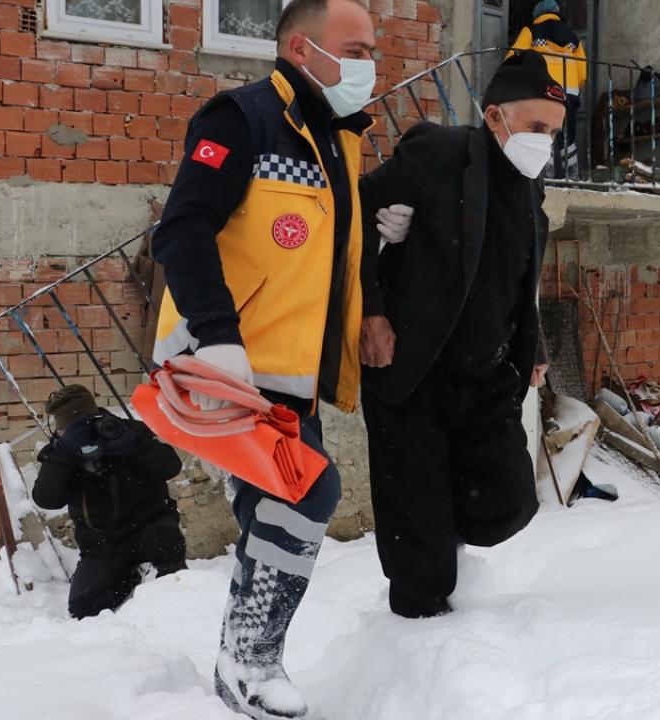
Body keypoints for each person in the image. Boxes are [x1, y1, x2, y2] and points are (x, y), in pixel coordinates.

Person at [150, 0, 407, 716]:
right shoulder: (244, 119)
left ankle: (246, 661)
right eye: (354, 49)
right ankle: (249, 663)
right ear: (302, 48)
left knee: (287, 502)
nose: (369, 65)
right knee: (308, 492)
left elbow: (336, 256)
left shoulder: (338, 141)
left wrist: (373, 307)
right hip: (223, 362)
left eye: (371, 51)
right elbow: (181, 232)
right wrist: (218, 336)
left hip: (286, 375)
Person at [356, 51, 564, 620]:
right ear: (495, 116)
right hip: (413, 369)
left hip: (487, 374)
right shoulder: (439, 151)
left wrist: (535, 347)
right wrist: (371, 309)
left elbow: (516, 276)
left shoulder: (530, 185)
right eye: (536, 127)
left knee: (510, 502)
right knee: (418, 543)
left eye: (553, 132)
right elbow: (352, 212)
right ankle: (421, 637)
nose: (544, 142)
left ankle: (442, 532)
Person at [32, 385, 186, 619]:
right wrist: (63, 454)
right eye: (67, 429)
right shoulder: (61, 451)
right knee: (83, 607)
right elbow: (47, 500)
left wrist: (133, 445)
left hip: (150, 525)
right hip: (102, 544)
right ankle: (128, 578)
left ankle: (178, 599)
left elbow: (171, 466)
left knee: (167, 548)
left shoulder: (123, 430)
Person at [511, 0, 586, 179]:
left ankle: (546, 177)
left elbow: (514, 57)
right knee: (567, 137)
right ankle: (573, 176)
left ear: (537, 15)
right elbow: (582, 72)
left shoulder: (531, 31)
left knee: (544, 133)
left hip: (544, 91)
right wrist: (574, 89)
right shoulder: (573, 38)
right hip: (570, 93)